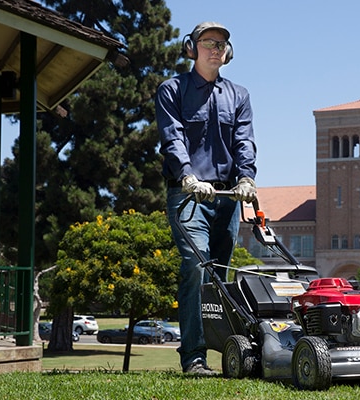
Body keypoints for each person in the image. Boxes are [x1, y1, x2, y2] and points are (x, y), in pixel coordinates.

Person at [155, 22, 257, 376]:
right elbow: (172, 138)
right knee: (196, 267)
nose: (216, 48)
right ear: (191, 48)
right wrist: (187, 174)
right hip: (188, 196)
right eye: (209, 42)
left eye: (222, 43)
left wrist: (246, 177)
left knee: (219, 276)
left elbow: (244, 141)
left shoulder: (239, 95)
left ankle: (231, 352)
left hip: (228, 197)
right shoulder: (173, 90)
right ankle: (194, 358)